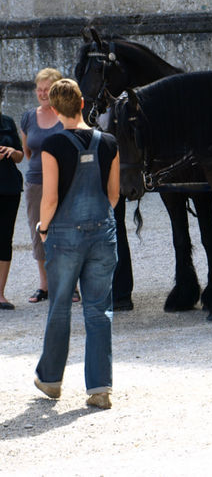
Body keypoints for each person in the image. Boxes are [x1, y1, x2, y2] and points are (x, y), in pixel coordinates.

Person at [33, 79, 119, 410]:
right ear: (83, 104)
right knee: (99, 310)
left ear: (54, 110)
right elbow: (113, 195)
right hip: (101, 231)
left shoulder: (53, 144)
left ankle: (52, 380)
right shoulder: (109, 142)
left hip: (65, 235)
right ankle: (99, 388)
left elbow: (50, 198)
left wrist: (43, 229)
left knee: (59, 307)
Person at [21, 68, 67, 304]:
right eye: (39, 89)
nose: (42, 93)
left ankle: (71, 285)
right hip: (36, 182)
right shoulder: (29, 117)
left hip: (64, 182)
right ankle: (44, 285)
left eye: (46, 89)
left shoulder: (66, 115)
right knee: (39, 233)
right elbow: (28, 152)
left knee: (66, 231)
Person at [0, 107, 24, 309]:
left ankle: (0, 294)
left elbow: (21, 155)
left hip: (9, 188)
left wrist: (12, 152)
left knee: (5, 239)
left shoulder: (7, 121)